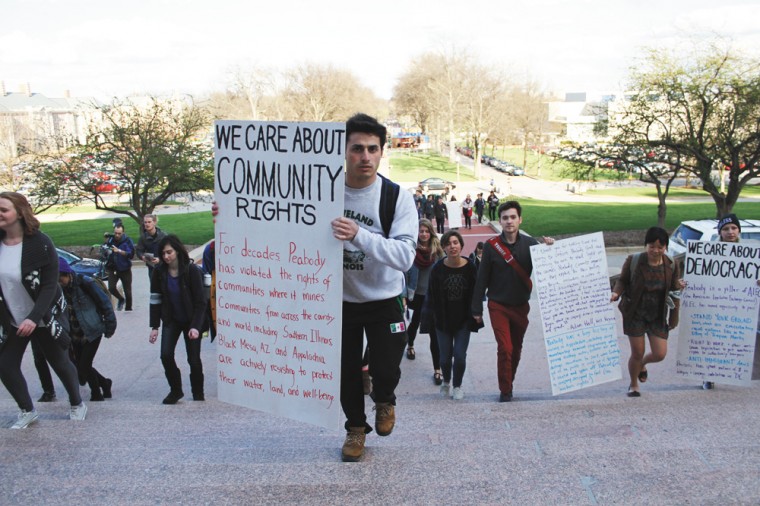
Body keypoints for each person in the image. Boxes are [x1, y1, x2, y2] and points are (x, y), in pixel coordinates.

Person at [331, 113, 417, 462]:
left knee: (386, 368)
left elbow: (405, 256)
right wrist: (228, 214)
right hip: (340, 300)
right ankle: (355, 428)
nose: (364, 156)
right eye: (356, 149)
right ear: (344, 151)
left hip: (384, 298)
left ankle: (385, 399)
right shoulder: (324, 193)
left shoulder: (397, 198)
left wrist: (359, 235)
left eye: (372, 149)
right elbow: (279, 221)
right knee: (346, 372)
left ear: (382, 152)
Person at [0, 192, 86, 428]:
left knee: (59, 362)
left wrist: (34, 317)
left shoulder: (40, 243)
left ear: (19, 213)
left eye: (3, 209)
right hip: (12, 318)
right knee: (5, 365)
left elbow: (50, 285)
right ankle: (27, 410)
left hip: (43, 316)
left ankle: (77, 403)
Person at [471, 201, 554, 402]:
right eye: (505, 218)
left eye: (513, 217)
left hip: (521, 306)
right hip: (498, 305)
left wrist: (550, 248)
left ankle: (509, 381)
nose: (509, 221)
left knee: (516, 349)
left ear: (520, 220)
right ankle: (505, 390)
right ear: (499, 221)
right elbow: (482, 279)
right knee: (505, 348)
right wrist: (476, 308)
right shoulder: (491, 247)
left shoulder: (531, 244)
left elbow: (549, 268)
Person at [610, 226, 683, 398]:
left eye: (660, 247)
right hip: (635, 312)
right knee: (637, 352)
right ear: (646, 246)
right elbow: (622, 281)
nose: (655, 251)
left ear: (665, 247)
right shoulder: (634, 260)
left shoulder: (671, 264)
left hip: (657, 314)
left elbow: (674, 290)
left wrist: (679, 288)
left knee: (660, 353)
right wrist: (616, 293)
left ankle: (642, 364)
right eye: (652, 246)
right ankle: (634, 384)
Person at [149, 234, 207, 404]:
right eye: (163, 253)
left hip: (191, 320)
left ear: (177, 251)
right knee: (166, 355)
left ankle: (198, 393)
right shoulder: (159, 272)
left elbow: (201, 302)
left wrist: (196, 326)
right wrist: (154, 326)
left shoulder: (192, 271)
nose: (166, 257)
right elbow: (155, 299)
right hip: (171, 319)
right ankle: (176, 390)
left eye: (169, 252)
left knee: (193, 359)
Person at [429, 230, 478, 400]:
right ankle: (446, 381)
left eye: (455, 242)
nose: (452, 246)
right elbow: (431, 295)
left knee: (459, 356)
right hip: (443, 320)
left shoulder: (471, 266)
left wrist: (477, 312)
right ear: (443, 247)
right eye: (448, 243)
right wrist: (428, 319)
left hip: (463, 320)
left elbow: (477, 292)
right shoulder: (437, 269)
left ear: (461, 245)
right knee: (444, 358)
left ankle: (457, 385)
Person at [58, 257, 116, 401]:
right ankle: (103, 384)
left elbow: (105, 304)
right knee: (81, 366)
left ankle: (97, 392)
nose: (59, 283)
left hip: (92, 331)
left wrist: (110, 326)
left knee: (83, 368)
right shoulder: (59, 290)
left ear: (67, 274)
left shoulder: (85, 283)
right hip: (74, 333)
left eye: (60, 279)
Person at [404, 219, 445, 385]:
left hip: (432, 296)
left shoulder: (438, 249)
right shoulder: (411, 249)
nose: (424, 234)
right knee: (414, 323)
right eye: (421, 231)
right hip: (415, 294)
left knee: (434, 332)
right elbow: (404, 272)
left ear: (431, 232)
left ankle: (437, 370)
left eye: (426, 231)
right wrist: (404, 295)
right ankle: (410, 345)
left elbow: (444, 269)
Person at [105, 224, 135, 311]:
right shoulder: (111, 239)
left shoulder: (127, 241)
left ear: (123, 232)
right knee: (111, 288)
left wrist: (119, 251)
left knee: (128, 291)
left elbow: (131, 255)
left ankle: (128, 309)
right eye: (115, 233)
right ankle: (121, 299)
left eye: (119, 233)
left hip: (125, 269)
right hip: (113, 268)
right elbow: (106, 251)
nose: (117, 235)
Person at [135, 214, 167, 280]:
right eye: (145, 222)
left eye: (149, 222)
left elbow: (170, 251)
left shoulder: (163, 236)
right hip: (152, 268)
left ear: (154, 222)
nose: (147, 224)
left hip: (164, 266)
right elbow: (139, 250)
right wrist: (142, 256)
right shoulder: (143, 237)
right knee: (154, 288)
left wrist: (160, 259)